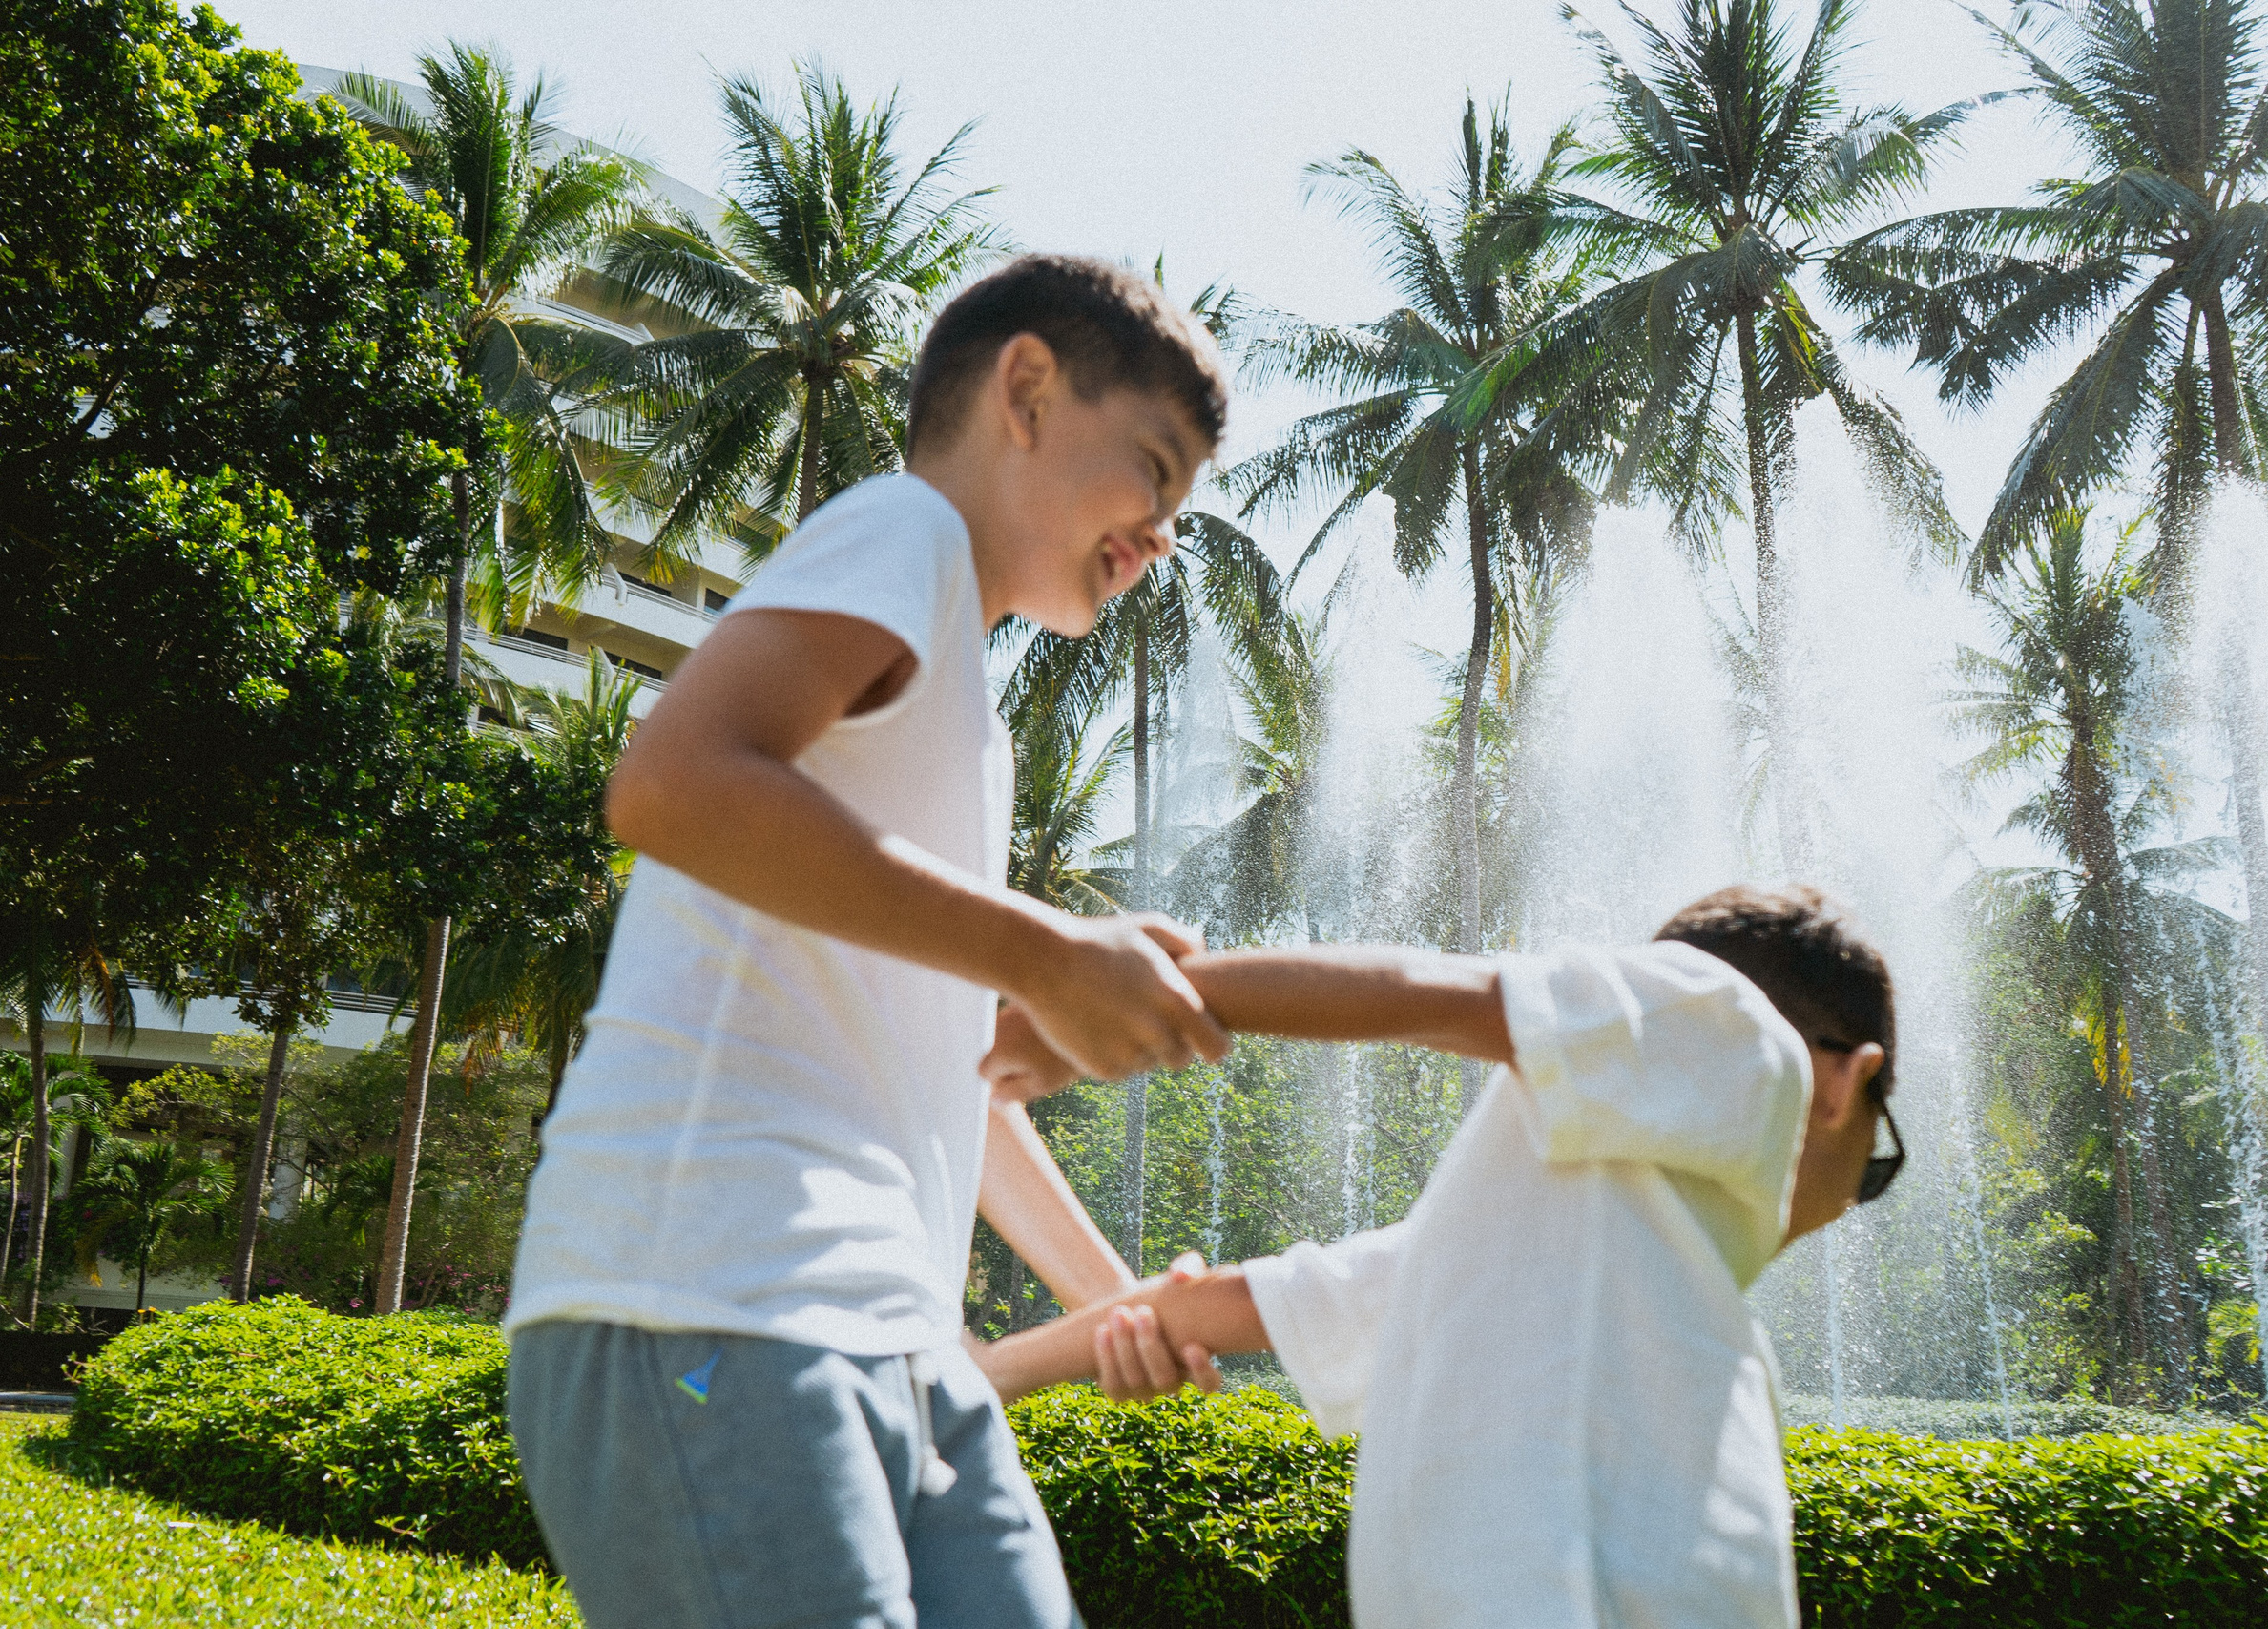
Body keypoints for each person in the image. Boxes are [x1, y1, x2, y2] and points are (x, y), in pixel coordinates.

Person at [503, 254, 1239, 1629]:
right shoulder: (904, 530)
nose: (1159, 535)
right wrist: (1048, 954)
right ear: (1026, 390)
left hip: (900, 1337)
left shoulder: (971, 724)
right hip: (712, 1296)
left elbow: (951, 1069)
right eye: (1152, 470)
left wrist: (1121, 1301)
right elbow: (672, 782)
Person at [973, 884, 1903, 1629]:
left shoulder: (1512, 1255)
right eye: (1880, 1152)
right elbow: (1435, 991)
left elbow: (1221, 1303)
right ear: (1845, 1081)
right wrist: (1101, 1009)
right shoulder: (1744, 1035)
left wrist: (991, 1372)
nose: (1859, 1188)